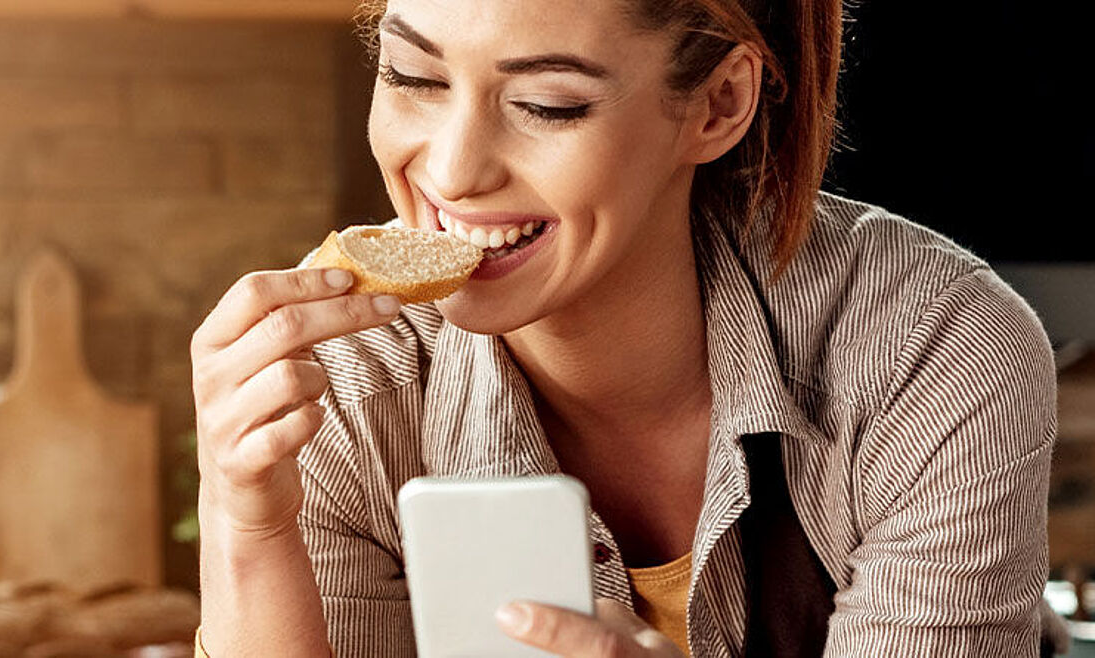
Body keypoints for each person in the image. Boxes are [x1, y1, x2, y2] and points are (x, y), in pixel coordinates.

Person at [190, 0, 1059, 655]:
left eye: (548, 104)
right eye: (413, 78)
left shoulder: (932, 346)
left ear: (718, 105)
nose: (451, 170)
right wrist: (248, 525)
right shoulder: (338, 373)